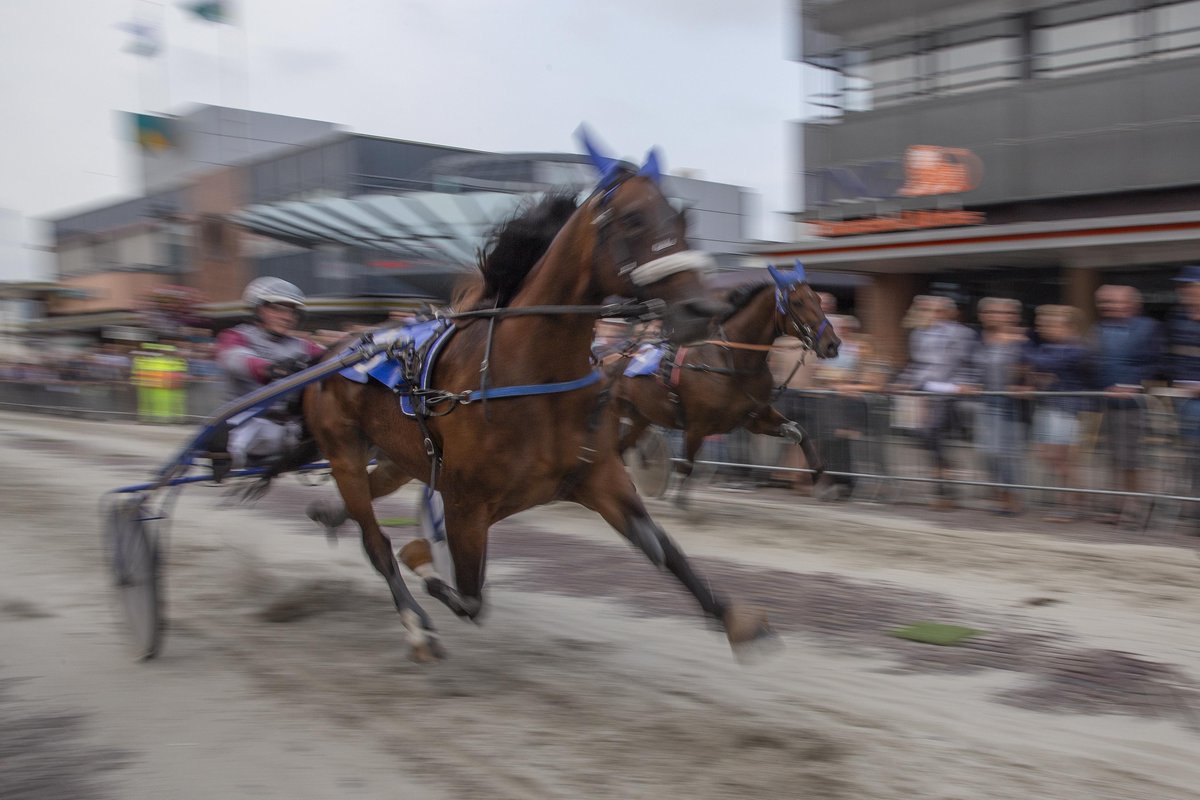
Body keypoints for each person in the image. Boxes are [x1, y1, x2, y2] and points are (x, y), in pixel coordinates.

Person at [210, 278, 324, 479]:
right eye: (278, 309)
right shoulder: (235, 336)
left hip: (290, 430)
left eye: (291, 311)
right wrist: (271, 369)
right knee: (232, 439)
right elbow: (234, 360)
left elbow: (335, 358)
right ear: (258, 309)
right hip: (246, 425)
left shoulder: (304, 345)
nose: (287, 317)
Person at [893, 295, 978, 510]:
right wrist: (903, 382)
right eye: (929, 310)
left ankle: (945, 489)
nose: (932, 314)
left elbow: (966, 363)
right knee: (924, 437)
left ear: (950, 312)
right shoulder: (919, 333)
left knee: (932, 432)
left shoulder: (963, 333)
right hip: (924, 390)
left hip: (947, 391)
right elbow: (916, 364)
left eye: (938, 310)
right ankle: (945, 474)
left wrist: (963, 385)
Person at [1090, 285, 1164, 523]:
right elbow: (1094, 361)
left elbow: (1157, 363)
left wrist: (1134, 384)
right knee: (1112, 455)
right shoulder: (1098, 329)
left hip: (1133, 402)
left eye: (1115, 301)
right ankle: (1118, 503)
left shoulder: (1148, 327)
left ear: (1133, 304)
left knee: (1130, 457)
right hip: (1106, 402)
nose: (1109, 306)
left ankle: (1135, 505)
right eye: (1106, 302)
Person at [1020, 305, 1095, 523]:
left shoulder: (1077, 348)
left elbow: (1044, 365)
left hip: (1069, 409)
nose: (1042, 328)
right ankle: (1075, 497)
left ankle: (1073, 503)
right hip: (1048, 406)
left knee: (1062, 459)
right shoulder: (1048, 348)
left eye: (1049, 324)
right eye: (1041, 324)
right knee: (1046, 455)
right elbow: (1037, 372)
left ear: (1067, 326)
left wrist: (1022, 343)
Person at [965, 297, 1028, 516]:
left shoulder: (1021, 340)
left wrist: (1024, 383)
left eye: (999, 312)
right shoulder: (979, 340)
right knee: (988, 453)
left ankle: (1013, 499)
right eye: (988, 312)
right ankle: (998, 496)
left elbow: (1031, 368)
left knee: (1007, 454)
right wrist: (971, 383)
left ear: (1012, 316)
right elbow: (973, 367)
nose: (992, 316)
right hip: (985, 402)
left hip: (1010, 405)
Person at [1167, 265, 1200, 524]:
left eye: (1191, 287)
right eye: (1184, 287)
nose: (1186, 292)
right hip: (1186, 402)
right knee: (1192, 458)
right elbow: (1171, 358)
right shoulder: (1178, 319)